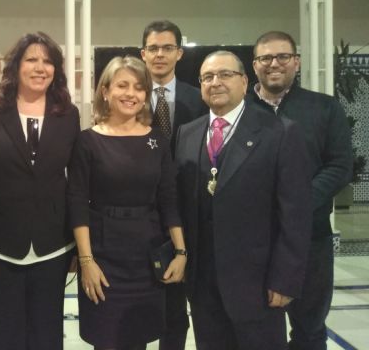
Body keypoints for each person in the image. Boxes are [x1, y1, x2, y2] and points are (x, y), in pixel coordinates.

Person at [175, 50, 312, 350]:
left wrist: (285, 278)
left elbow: (296, 214)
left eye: (225, 74)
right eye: (207, 77)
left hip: (258, 283)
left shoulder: (279, 133)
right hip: (203, 284)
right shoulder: (187, 134)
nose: (216, 82)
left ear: (244, 81)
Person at [0, 32, 80, 350]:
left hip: (53, 246)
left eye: (47, 61)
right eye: (31, 59)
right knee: (3, 336)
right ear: (16, 66)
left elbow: (74, 183)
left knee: (46, 336)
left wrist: (77, 246)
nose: (39, 67)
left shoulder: (67, 114)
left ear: (56, 70)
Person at [67, 55, 187, 350]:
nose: (131, 94)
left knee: (138, 338)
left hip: (147, 257)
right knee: (107, 340)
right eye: (122, 85)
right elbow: (77, 203)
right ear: (105, 91)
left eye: (138, 87)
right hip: (103, 256)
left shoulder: (157, 140)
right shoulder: (87, 141)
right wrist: (86, 262)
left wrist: (181, 252)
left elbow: (168, 199)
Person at [249, 31, 353, 350]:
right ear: (255, 66)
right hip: (255, 239)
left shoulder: (324, 108)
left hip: (310, 236)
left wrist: (296, 205)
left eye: (282, 56)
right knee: (256, 327)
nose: (274, 64)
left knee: (309, 327)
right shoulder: (240, 110)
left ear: (297, 62)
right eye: (265, 58)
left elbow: (339, 167)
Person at [140, 20, 206, 350]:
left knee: (178, 308)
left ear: (179, 53)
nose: (160, 54)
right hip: (141, 217)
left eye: (167, 48)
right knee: (139, 302)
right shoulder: (129, 98)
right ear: (143, 54)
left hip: (189, 215)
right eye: (153, 48)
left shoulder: (201, 100)